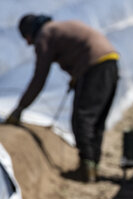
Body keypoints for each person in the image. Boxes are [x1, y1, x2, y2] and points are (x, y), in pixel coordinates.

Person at [6, 14, 119, 182]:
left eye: (27, 39)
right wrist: (77, 79)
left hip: (94, 69)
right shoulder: (59, 27)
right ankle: (92, 165)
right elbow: (81, 49)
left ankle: (86, 168)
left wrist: (20, 108)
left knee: (83, 118)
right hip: (111, 63)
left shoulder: (44, 36)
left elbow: (39, 78)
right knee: (97, 119)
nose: (28, 44)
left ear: (30, 34)